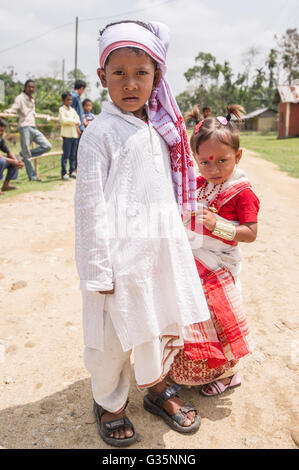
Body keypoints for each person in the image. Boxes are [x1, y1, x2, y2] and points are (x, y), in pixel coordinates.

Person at [75, 20, 211, 447]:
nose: (130, 83)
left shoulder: (157, 130)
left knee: (153, 327)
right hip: (115, 266)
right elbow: (88, 210)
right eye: (118, 73)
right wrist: (98, 271)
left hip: (152, 258)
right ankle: (110, 403)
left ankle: (154, 389)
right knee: (111, 343)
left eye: (141, 73)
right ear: (102, 77)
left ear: (157, 77)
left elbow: (165, 192)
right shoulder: (99, 135)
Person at [169, 104, 260, 396]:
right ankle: (197, 366)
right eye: (205, 162)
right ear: (195, 160)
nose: (214, 169)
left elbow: (250, 233)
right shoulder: (198, 183)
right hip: (195, 259)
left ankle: (229, 373)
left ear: (239, 156)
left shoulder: (242, 192)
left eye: (222, 161)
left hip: (219, 263)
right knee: (191, 311)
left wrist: (218, 224)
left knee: (220, 315)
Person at [4, 79, 51, 181]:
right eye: (29, 87)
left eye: (33, 87)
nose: (31, 89)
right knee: (27, 155)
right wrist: (7, 112)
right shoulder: (20, 98)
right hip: (24, 127)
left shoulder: (32, 100)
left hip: (33, 127)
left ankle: (25, 154)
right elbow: (14, 108)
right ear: (25, 87)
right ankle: (32, 176)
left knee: (47, 146)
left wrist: (46, 116)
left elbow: (33, 113)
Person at [58, 92, 81, 181]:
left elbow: (78, 120)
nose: (70, 101)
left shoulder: (73, 110)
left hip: (74, 135)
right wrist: (73, 121)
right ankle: (64, 173)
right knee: (66, 154)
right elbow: (63, 121)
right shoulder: (61, 110)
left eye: (71, 100)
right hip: (66, 135)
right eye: (68, 100)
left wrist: (72, 121)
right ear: (63, 100)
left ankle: (72, 171)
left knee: (73, 154)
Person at [0, 118, 24, 194]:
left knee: (15, 158)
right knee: (1, 162)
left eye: (2, 130)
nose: (1, 132)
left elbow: (8, 151)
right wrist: (12, 161)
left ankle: (6, 186)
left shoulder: (1, 139)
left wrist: (16, 161)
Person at [71, 79, 86, 171]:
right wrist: (77, 127)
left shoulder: (75, 97)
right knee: (76, 149)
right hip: (77, 127)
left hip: (80, 126)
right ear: (81, 88)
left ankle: (76, 168)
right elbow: (72, 113)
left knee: (79, 148)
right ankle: (74, 168)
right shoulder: (74, 97)